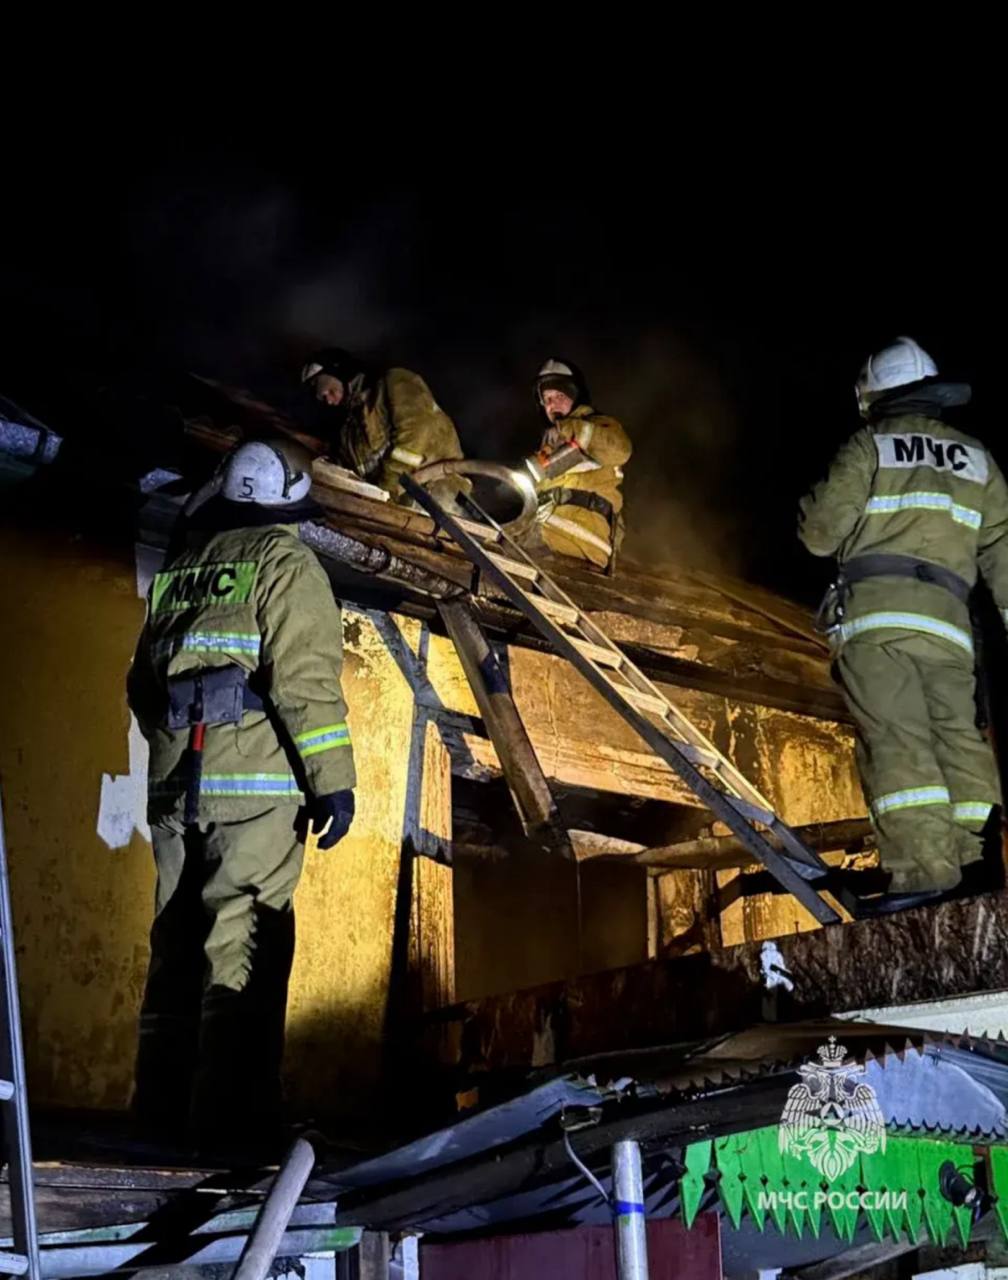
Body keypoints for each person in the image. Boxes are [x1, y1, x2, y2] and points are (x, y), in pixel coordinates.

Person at [127, 438, 356, 1154]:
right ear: (290, 501)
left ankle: (158, 1115)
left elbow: (140, 686)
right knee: (243, 944)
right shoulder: (286, 564)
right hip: (256, 789)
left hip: (176, 792)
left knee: (176, 949)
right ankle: (228, 1126)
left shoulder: (184, 569)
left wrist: (177, 754)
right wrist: (334, 783)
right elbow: (304, 684)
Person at [799, 336, 1008, 917]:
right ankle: (974, 865)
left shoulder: (870, 446)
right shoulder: (979, 461)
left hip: (879, 622)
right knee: (958, 741)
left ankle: (923, 874)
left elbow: (819, 534)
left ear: (873, 396)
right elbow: (1004, 561)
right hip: (950, 632)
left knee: (899, 742)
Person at [300, 348, 464, 506]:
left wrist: (388, 484)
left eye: (329, 391)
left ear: (339, 371)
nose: (329, 401)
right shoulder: (349, 433)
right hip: (400, 510)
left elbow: (418, 430)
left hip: (441, 496)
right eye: (323, 399)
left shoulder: (392, 383)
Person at [518, 358, 631, 568]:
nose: (552, 405)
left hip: (584, 537)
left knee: (508, 543)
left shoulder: (598, 426)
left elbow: (621, 450)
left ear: (576, 396)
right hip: (551, 531)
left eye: (559, 396)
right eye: (547, 399)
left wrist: (569, 429)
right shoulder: (549, 447)